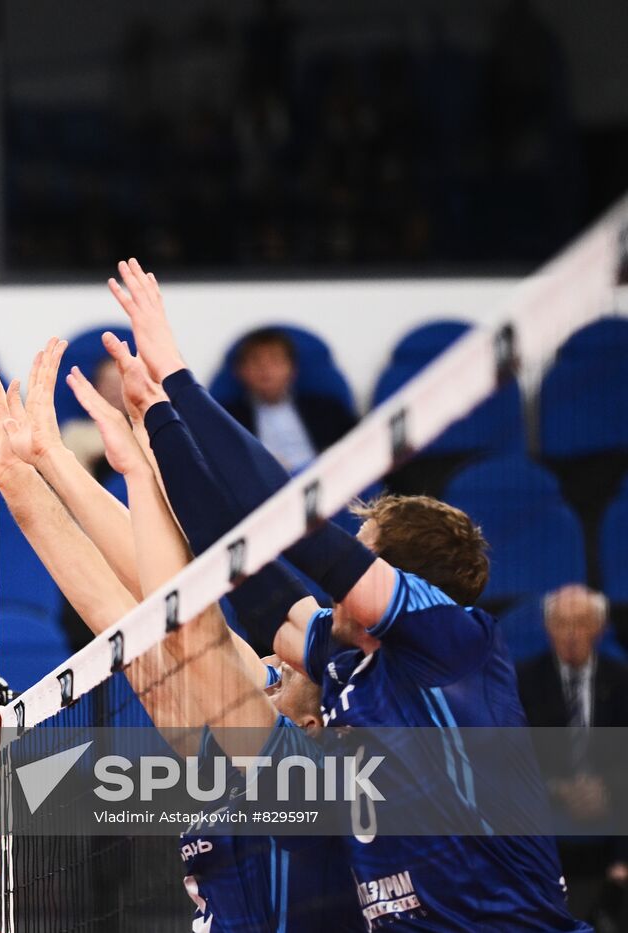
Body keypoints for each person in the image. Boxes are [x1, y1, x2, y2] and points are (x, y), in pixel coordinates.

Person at [109, 256, 588, 930]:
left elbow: (289, 516)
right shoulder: (347, 658)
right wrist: (160, 420)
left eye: (362, 551)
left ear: (402, 581)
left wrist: (180, 378)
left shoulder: (455, 641)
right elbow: (239, 564)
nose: (338, 575)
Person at [0, 357, 361, 931]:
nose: (270, 663)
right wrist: (22, 475)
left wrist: (110, 469)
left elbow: (177, 612)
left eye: (282, 676)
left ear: (309, 727)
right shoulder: (222, 759)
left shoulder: (301, 779)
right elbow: (120, 614)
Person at [517, 585, 628, 928]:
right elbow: (511, 758)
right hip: (544, 808)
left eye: (581, 623)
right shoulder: (521, 682)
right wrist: (558, 789)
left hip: (615, 809)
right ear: (547, 628)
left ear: (600, 628)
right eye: (562, 623)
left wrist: (606, 787)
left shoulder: (622, 680)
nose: (571, 634)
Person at [221, 327, 355, 471]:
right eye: (256, 361)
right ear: (240, 371)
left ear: (292, 368)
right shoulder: (227, 419)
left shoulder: (328, 409)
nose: (266, 369)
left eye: (275, 360)